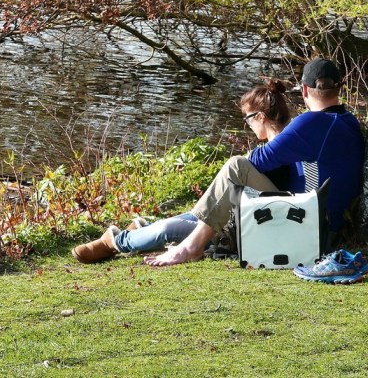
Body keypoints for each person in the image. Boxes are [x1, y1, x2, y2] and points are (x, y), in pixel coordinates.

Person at [144, 58, 365, 266]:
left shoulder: (313, 122)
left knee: (236, 167)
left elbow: (260, 160)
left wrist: (256, 154)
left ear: (305, 90)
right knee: (224, 196)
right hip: (323, 225)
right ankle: (171, 229)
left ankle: (191, 247)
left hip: (307, 226)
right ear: (339, 88)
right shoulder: (348, 122)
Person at [71, 80, 295, 264]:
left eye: (247, 119)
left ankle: (115, 241)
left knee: (168, 229)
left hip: (250, 226)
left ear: (260, 117)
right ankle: (139, 229)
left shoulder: (280, 149)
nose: (247, 125)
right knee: (182, 221)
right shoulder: (276, 147)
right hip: (242, 218)